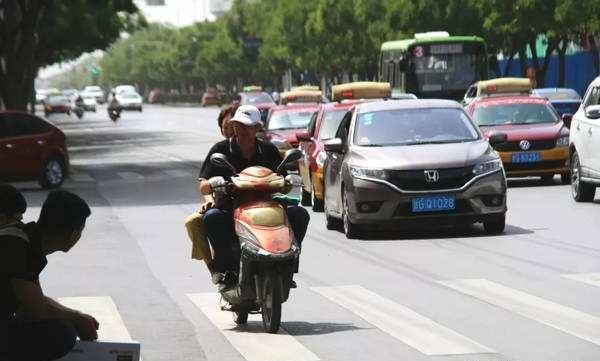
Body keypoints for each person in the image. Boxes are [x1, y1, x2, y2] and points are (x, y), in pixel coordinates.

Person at [197, 105, 309, 288]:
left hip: (267, 204)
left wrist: (288, 183)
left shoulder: (268, 150)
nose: (241, 130)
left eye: (247, 126)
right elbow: (203, 184)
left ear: (257, 128)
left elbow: (282, 182)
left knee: (299, 214)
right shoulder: (221, 149)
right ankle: (226, 270)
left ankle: (288, 265)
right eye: (238, 125)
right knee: (213, 218)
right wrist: (212, 184)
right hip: (233, 203)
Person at [0, 189, 99, 361]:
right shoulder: (16, 246)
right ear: (74, 233)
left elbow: (35, 299)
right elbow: (37, 310)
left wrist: (77, 315)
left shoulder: (27, 242)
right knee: (61, 334)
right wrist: (76, 318)